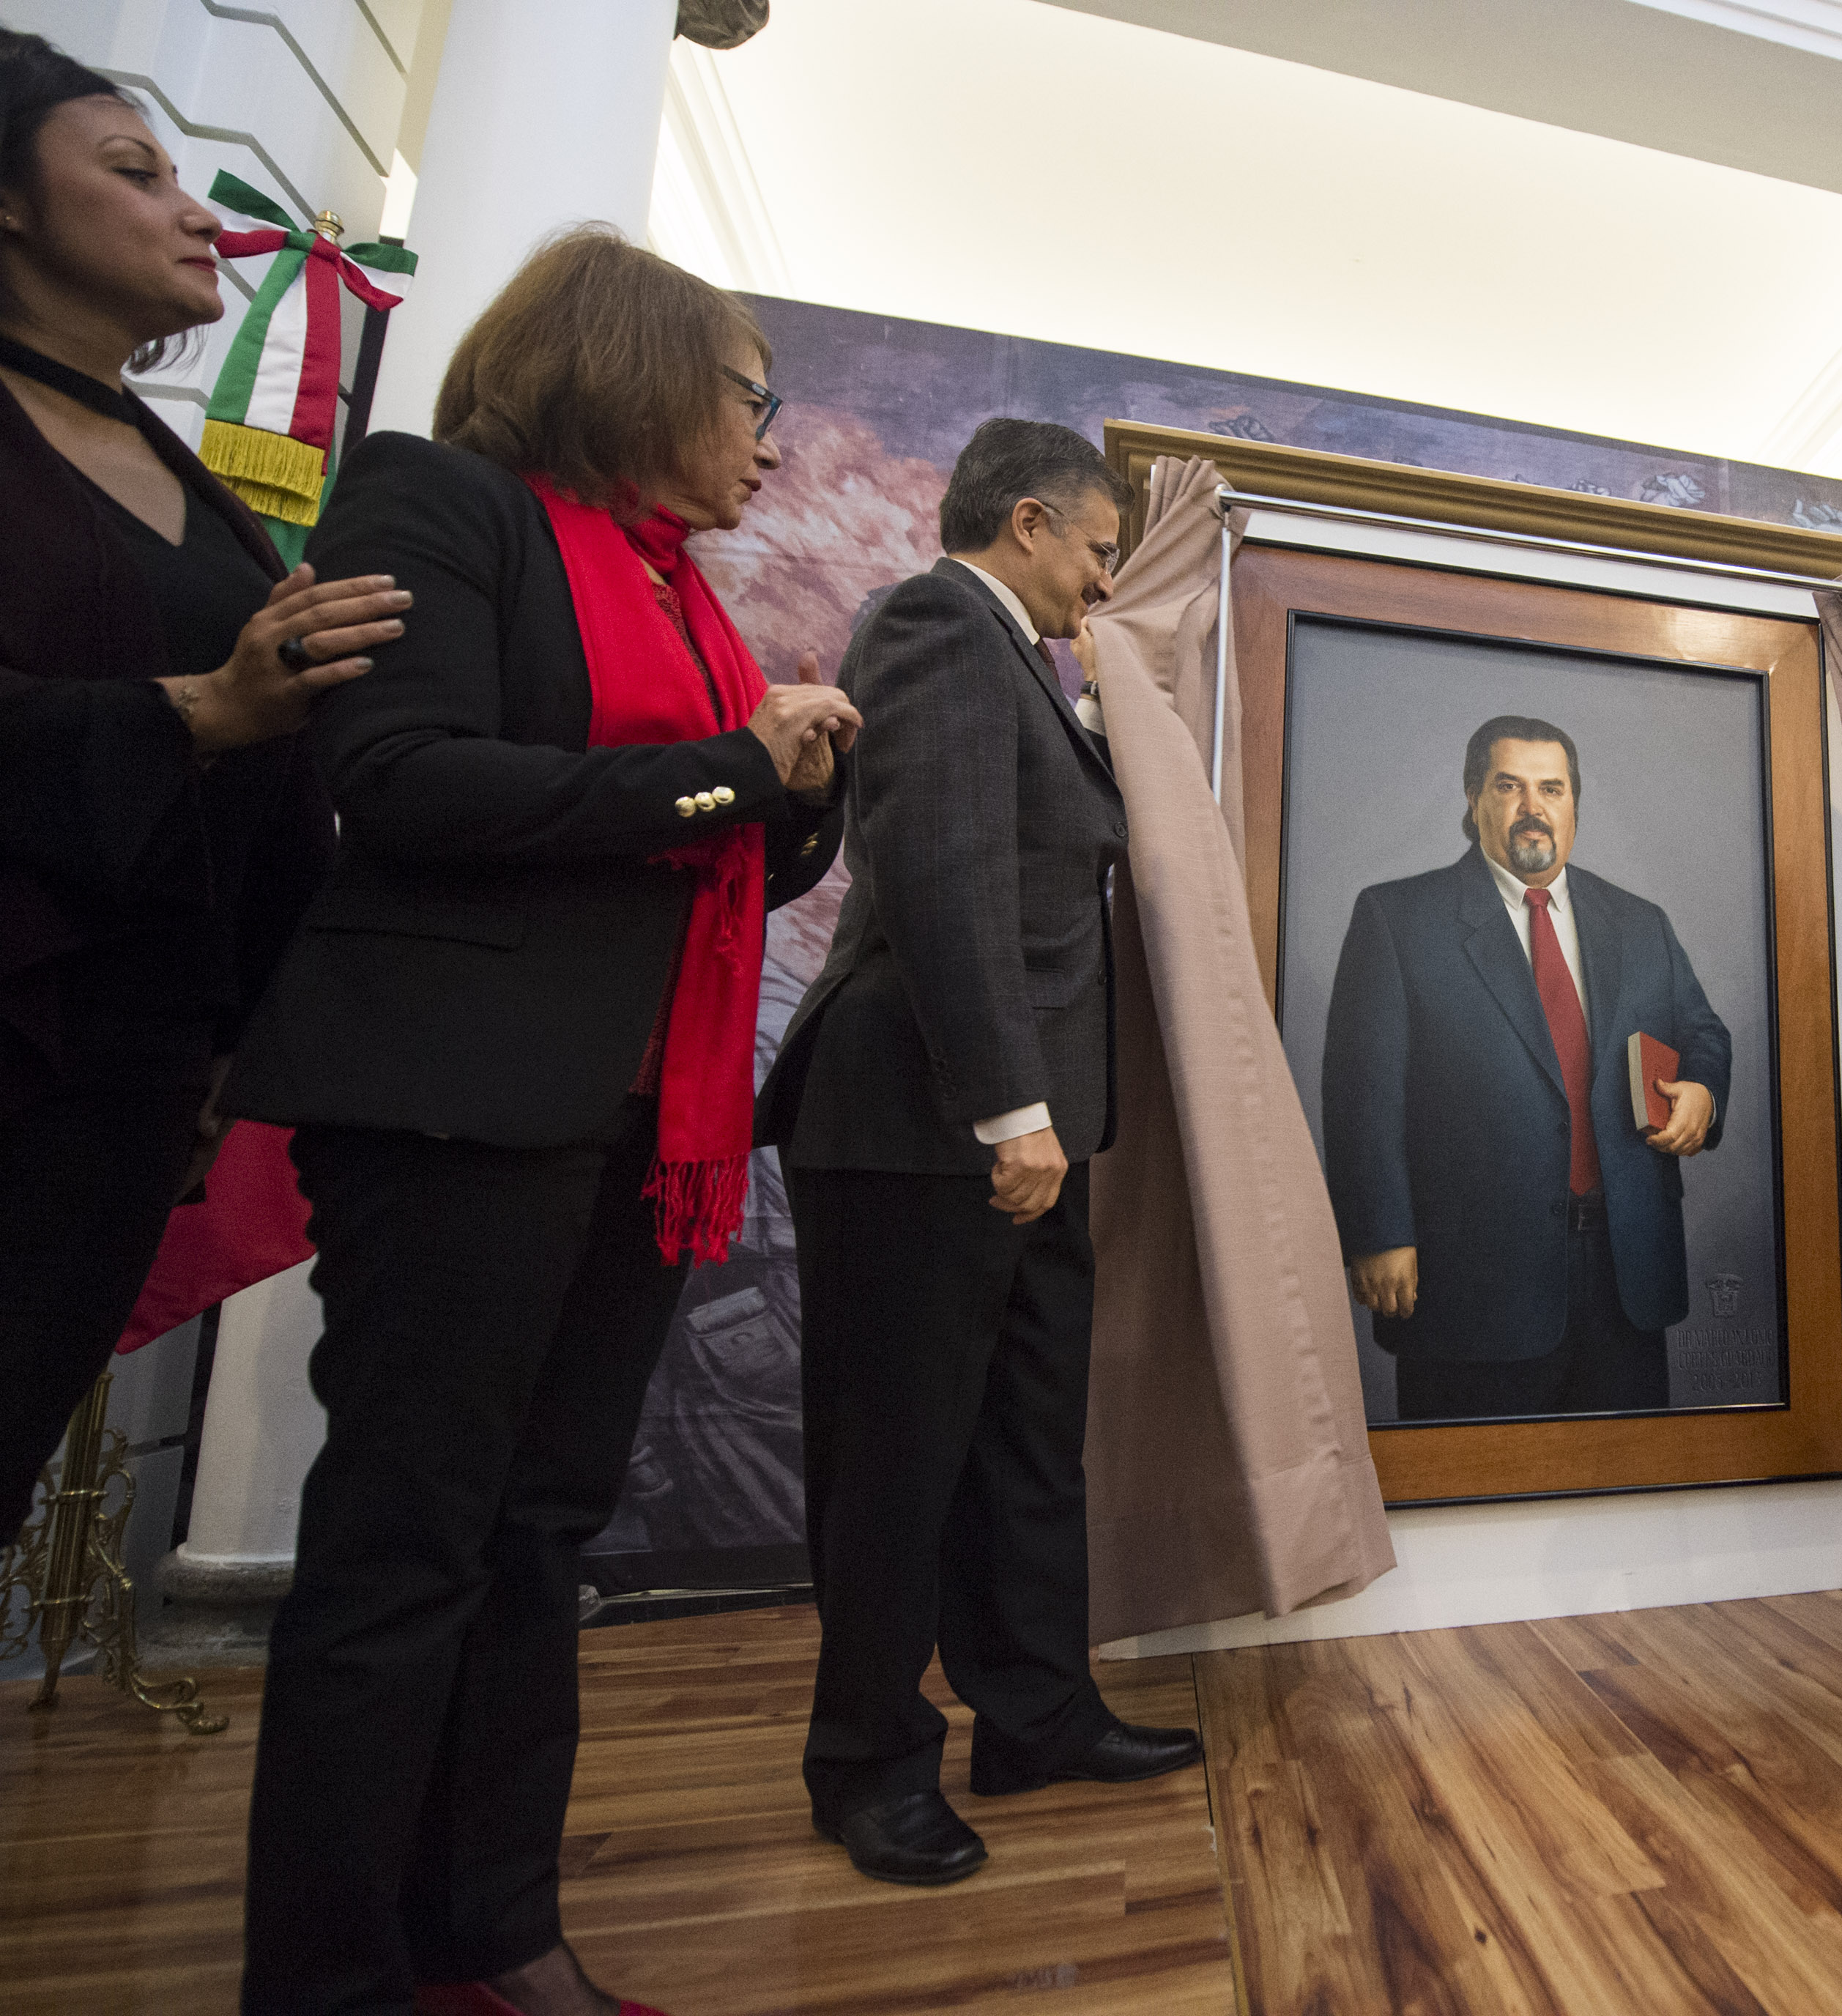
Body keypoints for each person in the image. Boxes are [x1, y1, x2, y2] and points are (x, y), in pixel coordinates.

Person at [221, 230, 858, 2015]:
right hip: (456, 1099)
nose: (772, 443)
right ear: (635, 371)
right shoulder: (440, 505)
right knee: (406, 1547)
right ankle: (332, 1980)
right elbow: (403, 783)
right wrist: (743, 764)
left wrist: (800, 784)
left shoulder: (677, 591)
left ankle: (492, 1940)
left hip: (631, 1114)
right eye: (753, 400)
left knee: (535, 1539)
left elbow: (704, 845)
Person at [754, 418, 1199, 1889]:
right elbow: (941, 873)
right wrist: (1012, 1111)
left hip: (1028, 1135)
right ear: (1026, 521)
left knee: (1023, 1447)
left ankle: (1038, 1714)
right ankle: (867, 1764)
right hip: (931, 1125)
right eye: (1095, 547)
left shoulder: (1027, 659)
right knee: (896, 1458)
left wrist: (1046, 1125)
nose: (1102, 579)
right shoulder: (940, 619)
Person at [0, 37, 405, 1533]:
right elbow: (213, 718)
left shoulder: (192, 476)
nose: (195, 211)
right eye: (135, 172)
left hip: (128, 1062)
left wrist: (255, 1021)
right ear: (10, 207)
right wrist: (201, 707)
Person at [1321, 714, 1731, 1421]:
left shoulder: (1641, 923)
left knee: (1626, 1504)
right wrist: (1378, 1232)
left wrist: (1702, 1092)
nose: (1533, 807)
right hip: (1472, 1285)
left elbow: (1704, 1034)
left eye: (1553, 788)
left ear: (1575, 804)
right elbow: (1362, 1094)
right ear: (1473, 797)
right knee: (1469, 1508)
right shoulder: (1398, 919)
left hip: (1625, 1274)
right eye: (1509, 786)